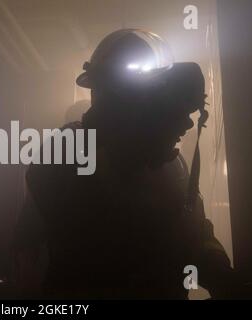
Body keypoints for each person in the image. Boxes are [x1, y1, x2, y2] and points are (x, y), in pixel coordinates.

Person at [15, 29, 239, 299]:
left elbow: (195, 233)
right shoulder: (65, 155)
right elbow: (28, 251)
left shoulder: (171, 166)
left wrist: (222, 275)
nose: (185, 123)